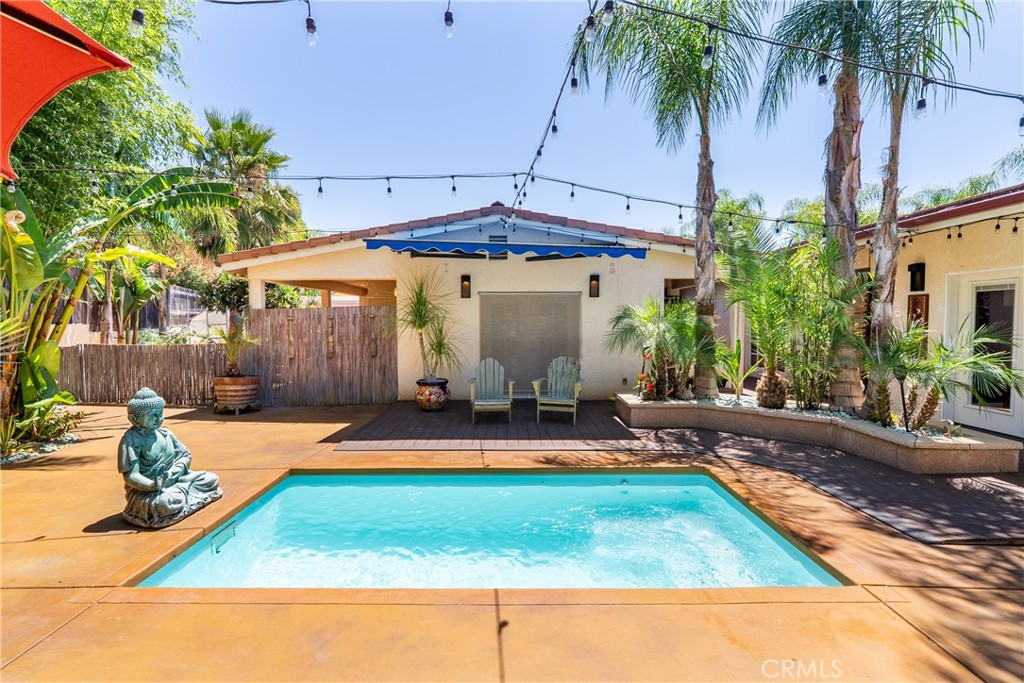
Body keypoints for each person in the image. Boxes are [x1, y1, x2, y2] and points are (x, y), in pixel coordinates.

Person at [118, 388, 222, 528]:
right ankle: (173, 501)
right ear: (135, 419)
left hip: (177, 480)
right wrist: (152, 485)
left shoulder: (166, 434)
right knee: (164, 502)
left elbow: (184, 454)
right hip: (148, 492)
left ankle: (179, 497)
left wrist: (176, 470)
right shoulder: (130, 441)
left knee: (211, 479)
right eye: (152, 415)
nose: (158, 419)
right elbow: (131, 476)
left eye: (160, 414)